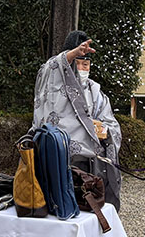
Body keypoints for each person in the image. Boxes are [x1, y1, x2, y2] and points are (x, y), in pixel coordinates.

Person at [32, 30, 122, 211]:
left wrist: (104, 130)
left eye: (85, 64)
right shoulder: (53, 82)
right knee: (60, 208)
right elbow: (52, 67)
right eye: (76, 62)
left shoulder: (95, 92)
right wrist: (72, 53)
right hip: (59, 159)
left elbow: (111, 123)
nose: (81, 68)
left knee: (90, 209)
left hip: (91, 163)